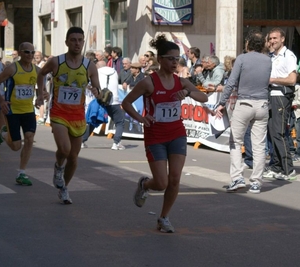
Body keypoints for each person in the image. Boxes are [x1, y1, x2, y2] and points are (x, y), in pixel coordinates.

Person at [122, 34, 208, 233]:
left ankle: (164, 217)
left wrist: (187, 92)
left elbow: (202, 97)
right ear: (160, 59)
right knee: (161, 183)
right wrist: (140, 118)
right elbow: (126, 103)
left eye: (177, 59)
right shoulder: (149, 82)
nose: (174, 62)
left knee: (175, 179)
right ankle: (145, 184)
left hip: (177, 133)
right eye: (170, 58)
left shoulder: (181, 82)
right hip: (156, 136)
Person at [36, 27, 101, 204]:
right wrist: (40, 93)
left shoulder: (89, 66)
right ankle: (58, 168)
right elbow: (40, 74)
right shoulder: (56, 62)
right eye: (73, 40)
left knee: (73, 157)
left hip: (78, 116)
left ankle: (64, 188)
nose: (77, 43)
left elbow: (99, 90)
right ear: (66, 42)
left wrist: (97, 92)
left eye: (80, 40)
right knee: (64, 149)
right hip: (58, 113)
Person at [214, 30, 272, 194]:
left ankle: (238, 178)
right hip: (262, 104)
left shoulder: (242, 58)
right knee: (259, 145)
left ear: (248, 44)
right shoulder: (268, 61)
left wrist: (221, 103)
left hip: (244, 102)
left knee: (236, 142)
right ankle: (256, 182)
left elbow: (231, 82)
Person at [0, 43, 41, 185]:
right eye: (27, 52)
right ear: (20, 53)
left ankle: (21, 173)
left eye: (32, 52)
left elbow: (40, 86)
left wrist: (43, 94)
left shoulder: (37, 70)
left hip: (28, 110)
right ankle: (4, 134)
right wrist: (1, 101)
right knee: (16, 146)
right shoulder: (12, 68)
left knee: (29, 138)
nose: (30, 55)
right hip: (12, 111)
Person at [263, 27, 297, 180]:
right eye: (270, 39)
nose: (272, 41)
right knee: (272, 133)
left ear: (282, 39)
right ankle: (276, 167)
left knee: (280, 133)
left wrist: (272, 80)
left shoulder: (288, 56)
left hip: (281, 97)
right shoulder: (272, 56)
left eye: (275, 38)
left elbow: (292, 80)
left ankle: (288, 169)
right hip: (271, 96)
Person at [95, 60, 126, 150]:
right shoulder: (114, 71)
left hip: (101, 99)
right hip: (113, 101)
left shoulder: (97, 72)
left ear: (98, 66)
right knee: (120, 121)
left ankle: (82, 141)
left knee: (94, 120)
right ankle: (116, 143)